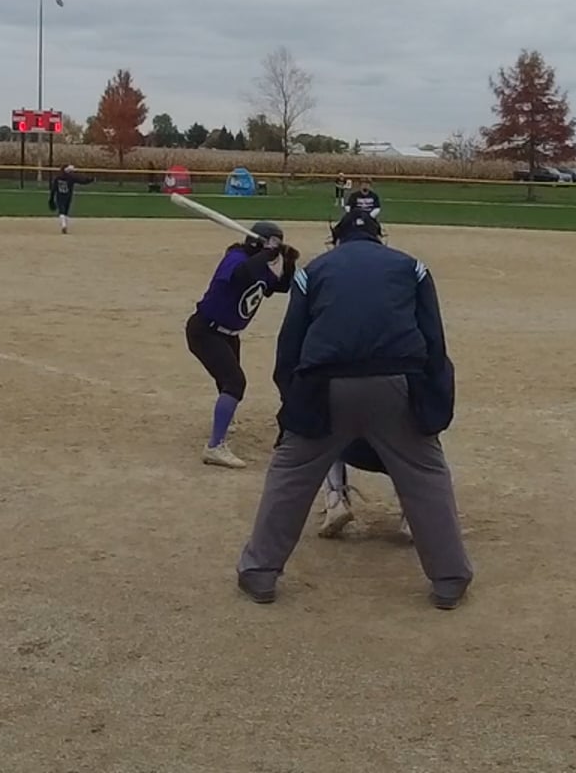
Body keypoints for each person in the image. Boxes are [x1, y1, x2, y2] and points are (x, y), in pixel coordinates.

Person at [236, 210, 472, 610]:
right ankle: (449, 579)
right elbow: (434, 341)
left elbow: (290, 345)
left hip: (325, 384)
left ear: (336, 240)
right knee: (426, 473)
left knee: (290, 473)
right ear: (380, 237)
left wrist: (293, 402)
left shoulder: (314, 271)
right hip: (397, 381)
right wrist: (431, 403)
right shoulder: (412, 267)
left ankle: (259, 571)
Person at [187, 221, 298, 468]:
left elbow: (280, 286)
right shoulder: (235, 258)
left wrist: (288, 261)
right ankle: (214, 447)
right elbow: (241, 276)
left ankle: (224, 422)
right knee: (235, 382)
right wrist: (267, 253)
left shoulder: (258, 265)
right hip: (206, 331)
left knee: (227, 379)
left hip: (229, 334)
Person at [49, 165, 95, 234]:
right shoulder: (71, 178)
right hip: (68, 196)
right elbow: (81, 180)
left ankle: (64, 225)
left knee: (61, 211)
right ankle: (64, 225)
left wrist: (51, 198)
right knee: (66, 211)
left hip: (60, 196)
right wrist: (90, 180)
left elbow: (53, 189)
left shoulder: (58, 178)